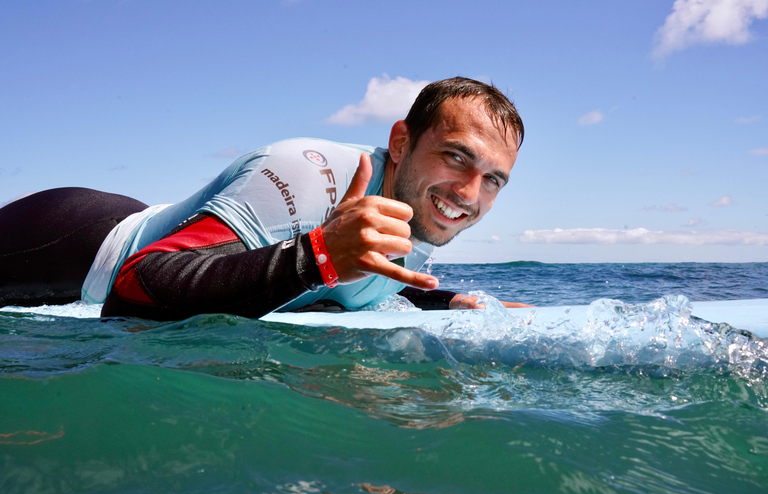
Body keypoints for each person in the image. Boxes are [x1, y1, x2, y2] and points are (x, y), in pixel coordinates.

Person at [0, 77, 530, 320]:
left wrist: (444, 299)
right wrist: (318, 255)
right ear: (400, 143)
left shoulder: (424, 209)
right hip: (64, 244)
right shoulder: (307, 174)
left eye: (493, 179)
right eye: (456, 157)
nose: (469, 193)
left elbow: (351, 283)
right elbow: (134, 286)